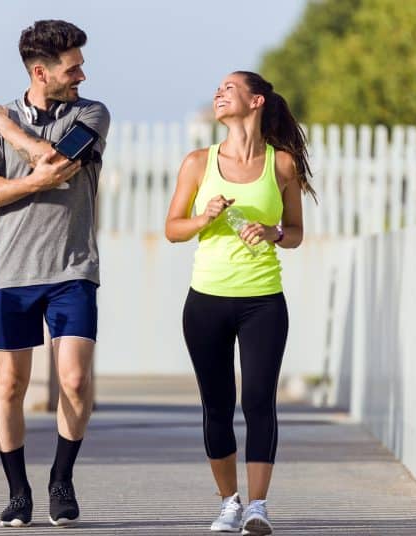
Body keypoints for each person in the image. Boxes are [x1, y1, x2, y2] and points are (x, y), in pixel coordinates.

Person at [0, 19, 110, 528]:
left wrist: (4, 128)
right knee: (10, 385)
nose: (83, 74)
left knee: (75, 379)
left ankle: (61, 479)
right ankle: (18, 492)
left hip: (73, 268)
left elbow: (55, 160)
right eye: (73, 67)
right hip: (13, 272)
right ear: (42, 72)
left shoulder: (90, 113)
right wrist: (27, 180)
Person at [165, 71, 315, 535]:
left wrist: (272, 233)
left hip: (263, 301)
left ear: (257, 101)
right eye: (217, 89)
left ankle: (258, 506)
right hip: (207, 299)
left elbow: (295, 233)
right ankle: (228, 502)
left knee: (258, 402)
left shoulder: (282, 165)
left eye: (229, 88)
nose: (218, 93)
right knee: (217, 404)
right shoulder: (197, 163)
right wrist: (202, 216)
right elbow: (172, 228)